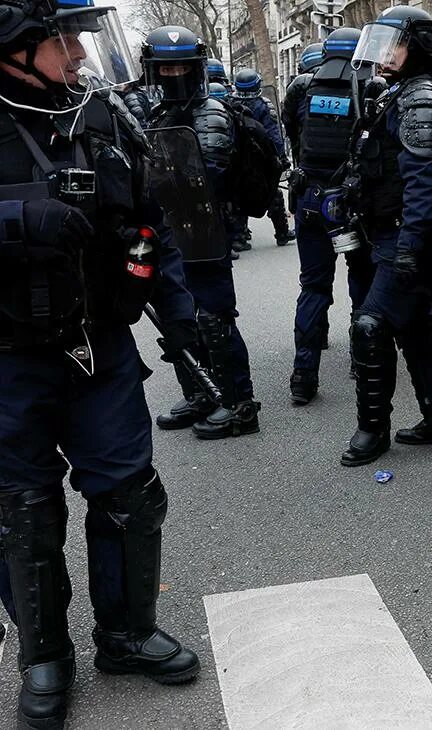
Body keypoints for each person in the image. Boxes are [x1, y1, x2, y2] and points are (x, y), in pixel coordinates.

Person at [0, 2, 203, 724]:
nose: (80, 55)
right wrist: (22, 218)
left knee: (129, 494)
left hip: (100, 345)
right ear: (14, 44)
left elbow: (151, 225)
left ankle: (125, 634)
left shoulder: (99, 115)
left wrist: (182, 325)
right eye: (64, 40)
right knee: (23, 508)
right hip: (9, 359)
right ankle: (44, 654)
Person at [340, 5, 432, 466]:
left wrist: (412, 248)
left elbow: (425, 183)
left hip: (406, 237)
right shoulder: (398, 93)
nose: (385, 54)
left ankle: (372, 431)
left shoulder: (420, 99)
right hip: (387, 233)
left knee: (370, 325)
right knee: (413, 327)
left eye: (395, 44)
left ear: (419, 47)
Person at [146, 26, 262, 439]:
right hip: (168, 234)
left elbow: (205, 173)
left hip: (206, 233)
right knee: (179, 318)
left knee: (214, 319)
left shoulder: (212, 112)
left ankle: (238, 403)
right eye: (165, 66)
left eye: (181, 65)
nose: (173, 73)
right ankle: (199, 392)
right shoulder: (156, 114)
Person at [283, 27, 378, 406]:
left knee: (314, 286)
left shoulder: (302, 87)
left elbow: (292, 131)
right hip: (354, 204)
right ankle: (362, 359)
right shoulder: (373, 87)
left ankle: (303, 375)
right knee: (362, 281)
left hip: (310, 198)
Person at [231, 67, 294, 247]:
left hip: (238, 158)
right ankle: (282, 233)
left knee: (237, 195)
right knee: (273, 193)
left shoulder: (228, 103)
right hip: (261, 159)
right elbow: (274, 135)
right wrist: (281, 158)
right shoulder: (264, 105)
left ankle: (238, 237)